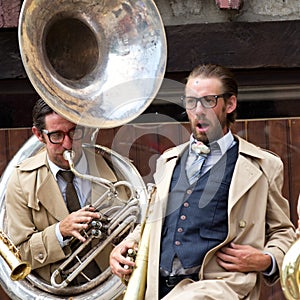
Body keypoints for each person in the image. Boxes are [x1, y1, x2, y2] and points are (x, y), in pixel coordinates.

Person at [110, 64, 297, 299]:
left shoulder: (263, 166)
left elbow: (282, 230)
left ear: (230, 104)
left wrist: (266, 260)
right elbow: (155, 223)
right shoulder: (168, 160)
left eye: (208, 101)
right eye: (191, 101)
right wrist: (127, 244)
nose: (198, 110)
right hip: (158, 288)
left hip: (219, 288)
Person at [5, 98, 128, 285]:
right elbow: (18, 255)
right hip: (59, 292)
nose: (68, 144)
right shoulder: (22, 181)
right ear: (39, 135)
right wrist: (59, 232)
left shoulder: (115, 169)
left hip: (114, 288)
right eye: (56, 136)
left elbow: (139, 232)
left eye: (74, 132)